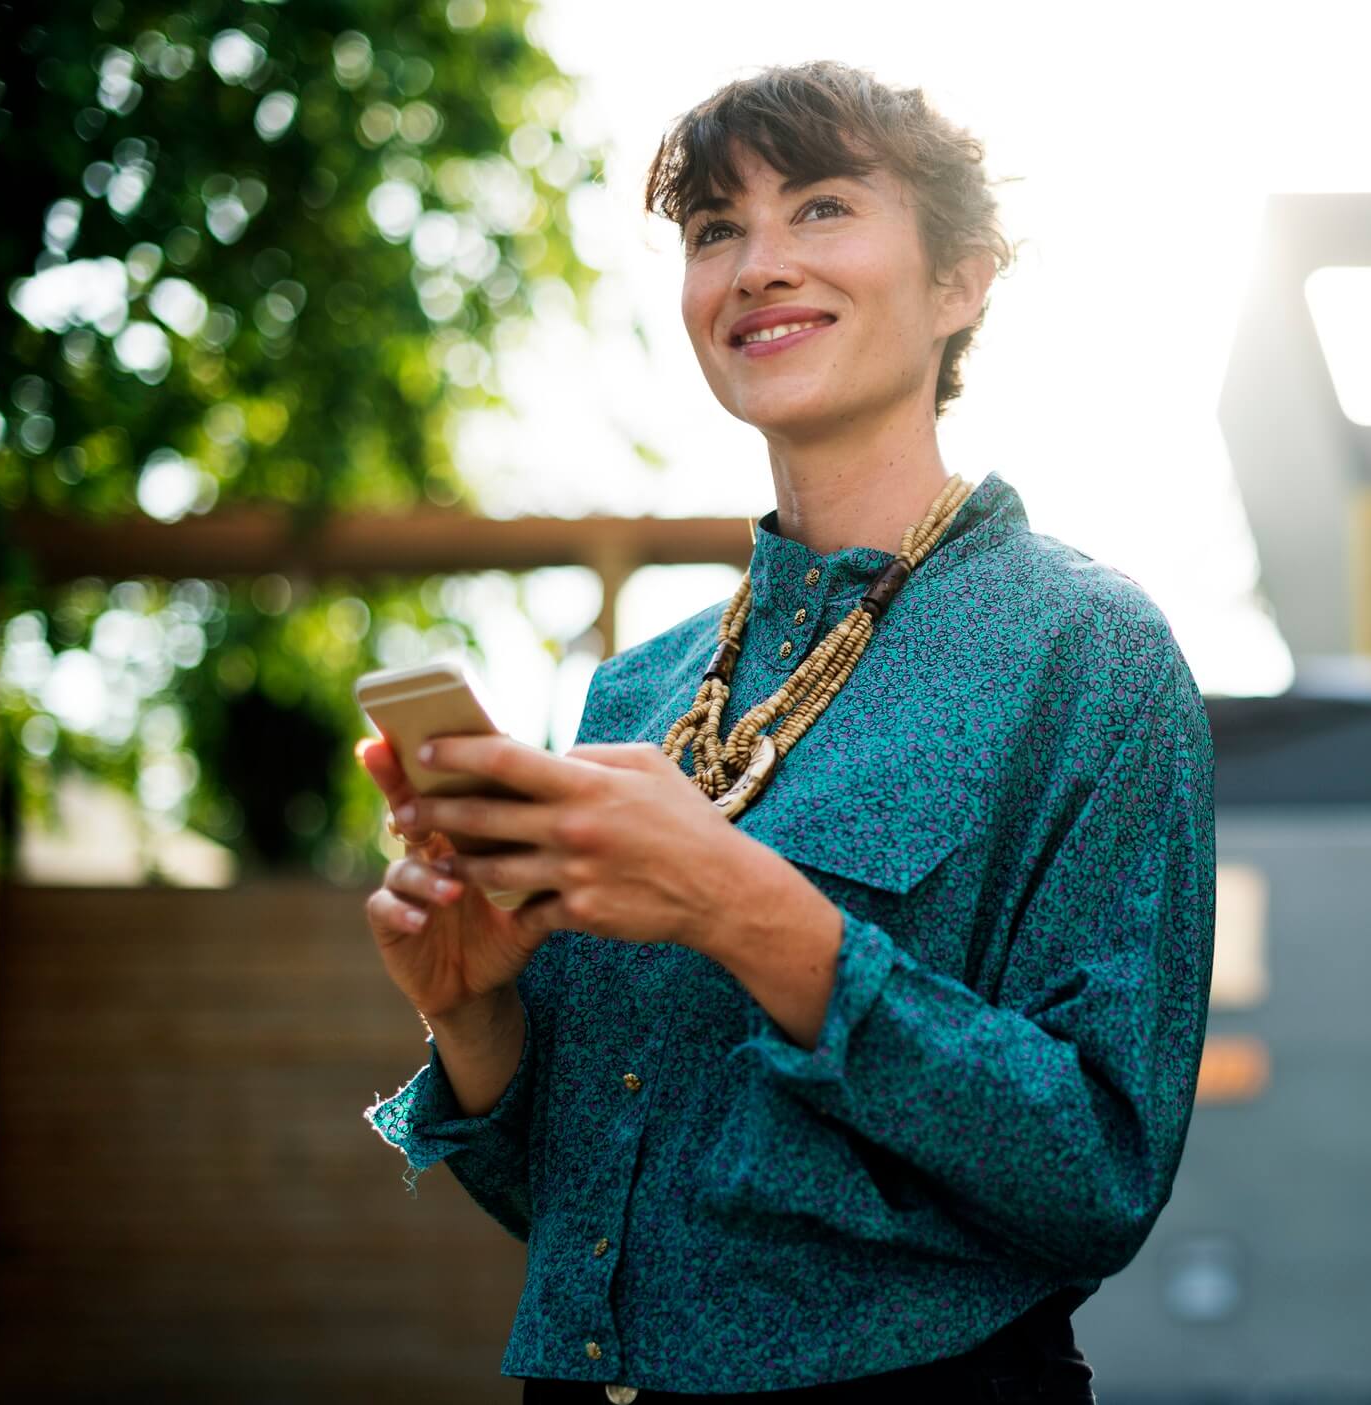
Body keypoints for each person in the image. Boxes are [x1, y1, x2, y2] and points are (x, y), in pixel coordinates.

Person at [359, 59, 1215, 1404]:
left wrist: (742, 905)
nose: (756, 264)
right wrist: (468, 1010)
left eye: (819, 208)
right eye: (714, 229)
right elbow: (585, 1215)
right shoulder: (634, 694)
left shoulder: (1088, 653)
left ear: (960, 281)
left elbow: (1100, 1171)